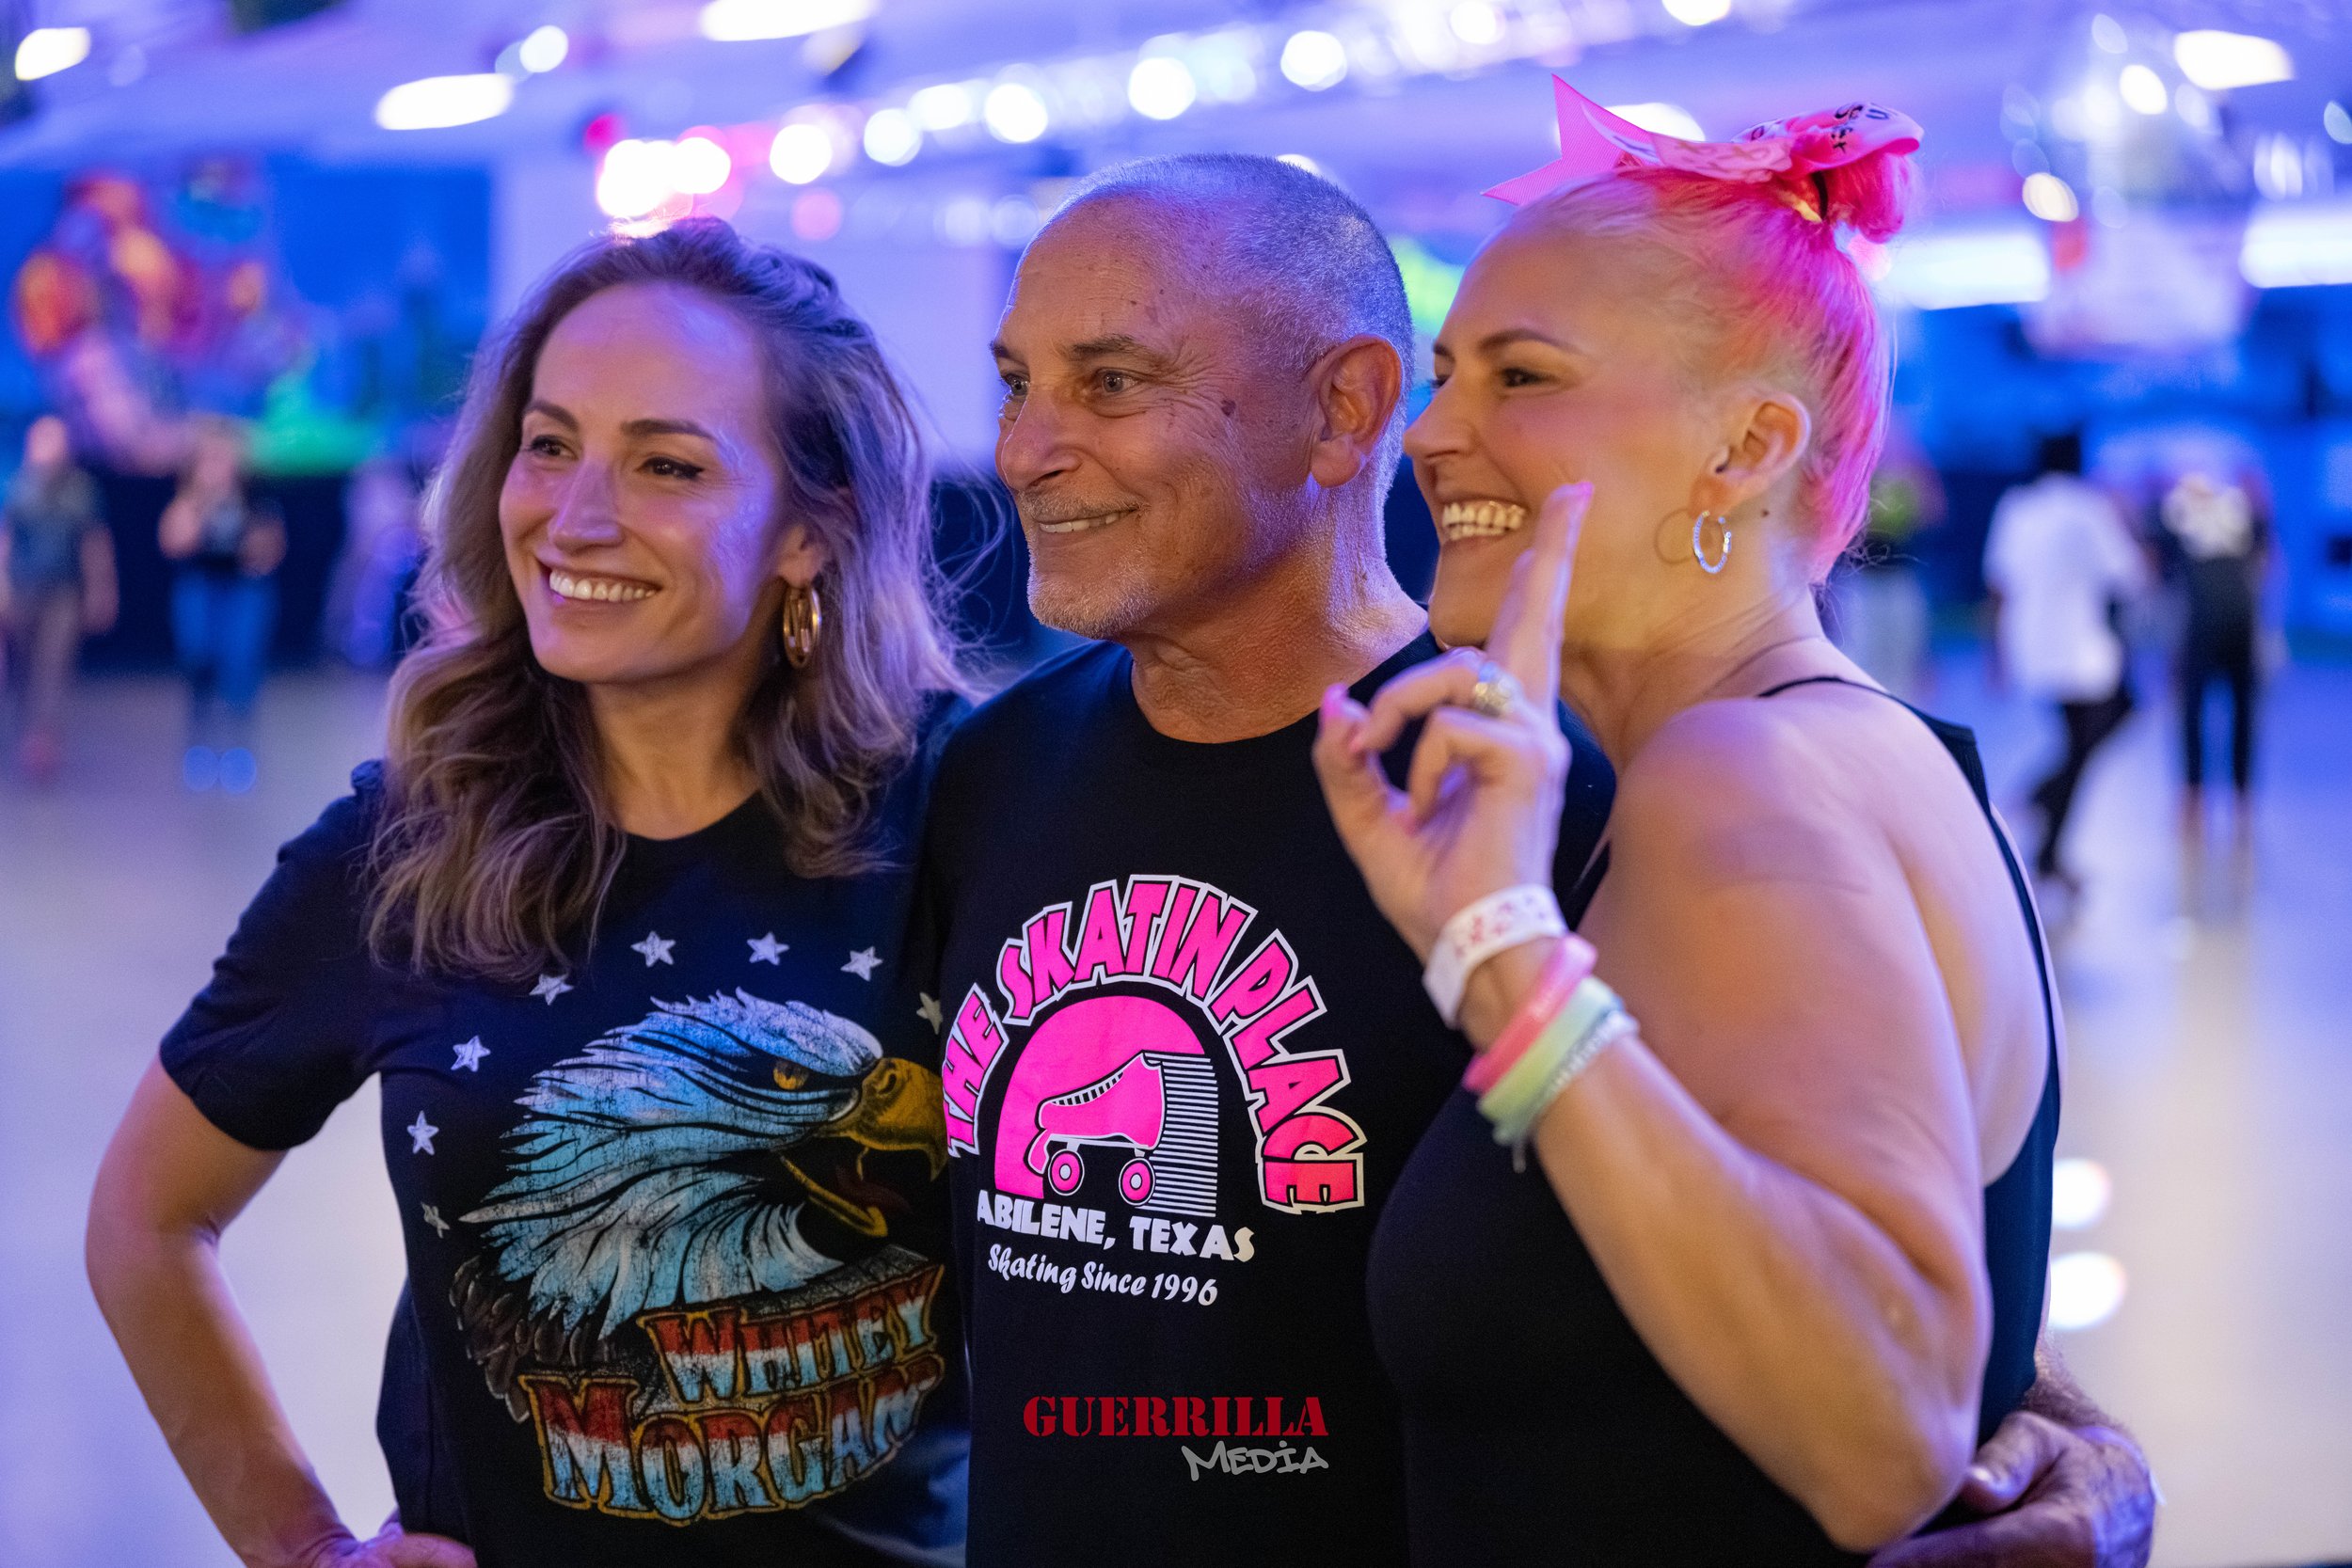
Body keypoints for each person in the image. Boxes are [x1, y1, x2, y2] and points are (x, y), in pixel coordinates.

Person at [913, 150, 2153, 1566]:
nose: (1023, 448)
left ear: (1341, 409)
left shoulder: (1583, 786)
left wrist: (2045, 1415)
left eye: (1114, 381)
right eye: (1016, 383)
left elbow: (1870, 1322)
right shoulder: (987, 773)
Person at [1314, 84, 2148, 1563]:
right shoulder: (1836, 755)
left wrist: (1500, 949)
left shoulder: (1736, 775)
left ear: (1747, 447)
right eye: (1449, 373)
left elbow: (1885, 1433)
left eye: (1521, 377)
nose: (1434, 434)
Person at [87, 219, 971, 1568]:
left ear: (809, 529)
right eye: (549, 443)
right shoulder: (406, 845)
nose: (576, 512)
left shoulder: (965, 808)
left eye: (666, 463)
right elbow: (145, 1220)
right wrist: (306, 1547)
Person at [1984, 431, 2146, 891]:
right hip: (2081, 654)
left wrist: (1994, 654)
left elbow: (1998, 585)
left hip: (2030, 647)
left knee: (2079, 746)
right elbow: (2129, 575)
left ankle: (2048, 841)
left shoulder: (2016, 506)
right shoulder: (2088, 508)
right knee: (2104, 727)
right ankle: (2040, 807)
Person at [160, 414, 286, 792]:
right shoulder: (189, 499)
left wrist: (250, 542)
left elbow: (271, 550)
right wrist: (202, 505)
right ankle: (199, 748)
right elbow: (173, 542)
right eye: (209, 458)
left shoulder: (256, 499)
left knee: (241, 665)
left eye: (224, 457)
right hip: (201, 586)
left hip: (244, 591)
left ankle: (238, 750)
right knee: (198, 658)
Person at [0, 412, 115, 781]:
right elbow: (6, 540)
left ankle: (43, 739)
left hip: (64, 592)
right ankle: (25, 729)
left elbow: (94, 544)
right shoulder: (18, 486)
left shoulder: (80, 489)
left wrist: (101, 590)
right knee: (23, 664)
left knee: (54, 663)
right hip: (23, 588)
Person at [2157, 467, 2268, 823]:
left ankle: (2237, 796)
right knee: (2198, 709)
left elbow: (2265, 563)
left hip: (2225, 623)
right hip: (2213, 622)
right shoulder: (2182, 515)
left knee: (2235, 710)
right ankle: (2199, 795)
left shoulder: (2239, 510)